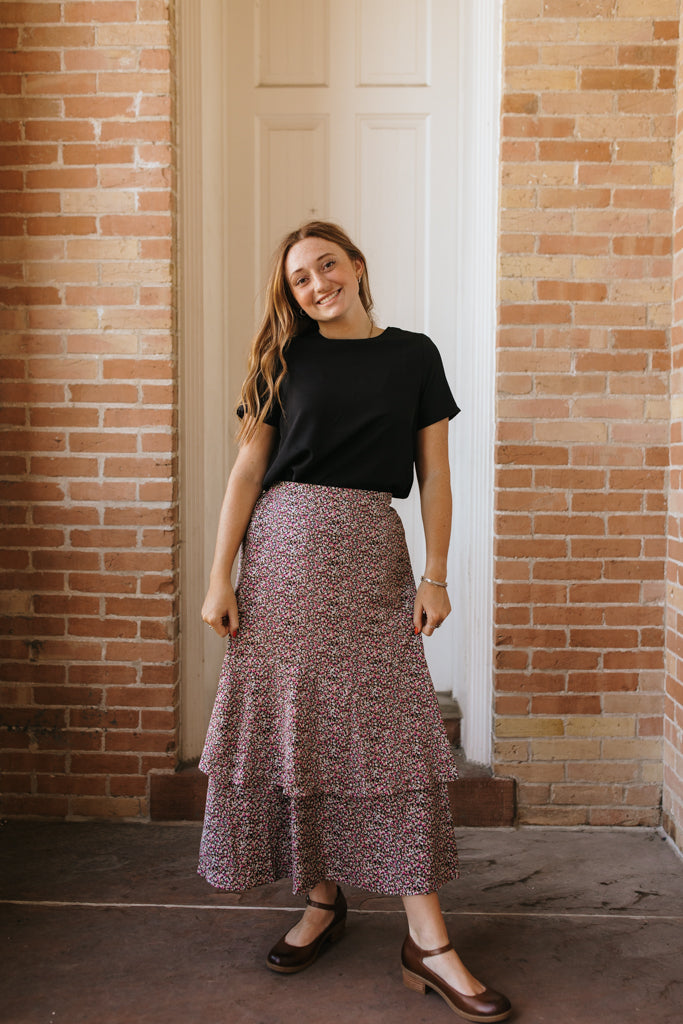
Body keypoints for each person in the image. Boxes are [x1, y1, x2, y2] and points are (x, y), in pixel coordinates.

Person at [199, 221, 511, 1022]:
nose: (316, 285)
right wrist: (219, 574)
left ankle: (427, 943)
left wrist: (435, 576)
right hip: (279, 562)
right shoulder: (283, 358)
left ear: (357, 265)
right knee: (297, 726)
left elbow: (434, 473)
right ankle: (320, 900)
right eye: (299, 278)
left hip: (371, 557)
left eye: (326, 265)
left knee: (387, 735)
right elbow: (247, 469)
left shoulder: (413, 355)